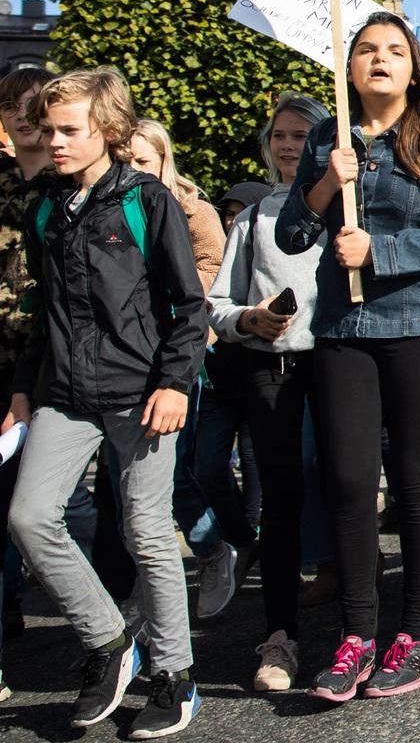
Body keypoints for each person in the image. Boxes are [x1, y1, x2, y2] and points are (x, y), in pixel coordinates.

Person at [277, 13, 420, 701]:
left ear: (413, 66)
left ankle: (416, 635)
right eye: (366, 49)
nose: (379, 60)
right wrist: (321, 184)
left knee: (416, 478)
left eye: (394, 50)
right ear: (350, 66)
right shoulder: (326, 140)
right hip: (343, 328)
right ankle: (357, 636)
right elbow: (292, 233)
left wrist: (383, 252)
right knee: (346, 479)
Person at [7, 67, 208, 736]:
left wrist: (175, 382)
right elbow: (44, 310)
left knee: (147, 531)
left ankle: (175, 677)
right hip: (64, 393)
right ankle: (111, 641)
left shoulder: (145, 199)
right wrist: (22, 391)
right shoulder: (44, 207)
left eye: (70, 131)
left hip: (144, 393)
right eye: (49, 130)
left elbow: (190, 304)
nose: (56, 142)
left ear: (110, 131)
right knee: (31, 517)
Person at [206, 92, 330, 691]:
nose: (288, 144)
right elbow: (218, 304)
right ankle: (280, 638)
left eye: (301, 135)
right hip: (270, 371)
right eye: (279, 134)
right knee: (280, 502)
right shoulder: (254, 216)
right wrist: (247, 319)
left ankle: (362, 624)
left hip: (336, 368)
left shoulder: (348, 209)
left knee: (344, 490)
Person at [129, 118, 255, 622]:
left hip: (182, 359)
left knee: (182, 472)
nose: (135, 170)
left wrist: (183, 332)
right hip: (122, 360)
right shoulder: (106, 207)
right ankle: (139, 588)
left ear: (165, 161)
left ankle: (212, 549)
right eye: (127, 160)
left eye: (145, 161)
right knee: (130, 487)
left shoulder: (192, 210)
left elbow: (207, 276)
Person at [0, 65, 54, 700]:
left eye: (31, 105)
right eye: (9, 107)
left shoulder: (68, 191)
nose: (21, 116)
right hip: (8, 360)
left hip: (53, 368)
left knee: (41, 508)